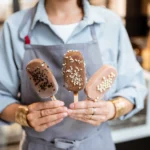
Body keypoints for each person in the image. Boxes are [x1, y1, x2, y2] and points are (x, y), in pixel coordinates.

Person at [0, 0, 147, 149]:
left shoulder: (110, 23)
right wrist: (24, 115)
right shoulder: (14, 26)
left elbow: (135, 87)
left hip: (96, 144)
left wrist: (112, 108)